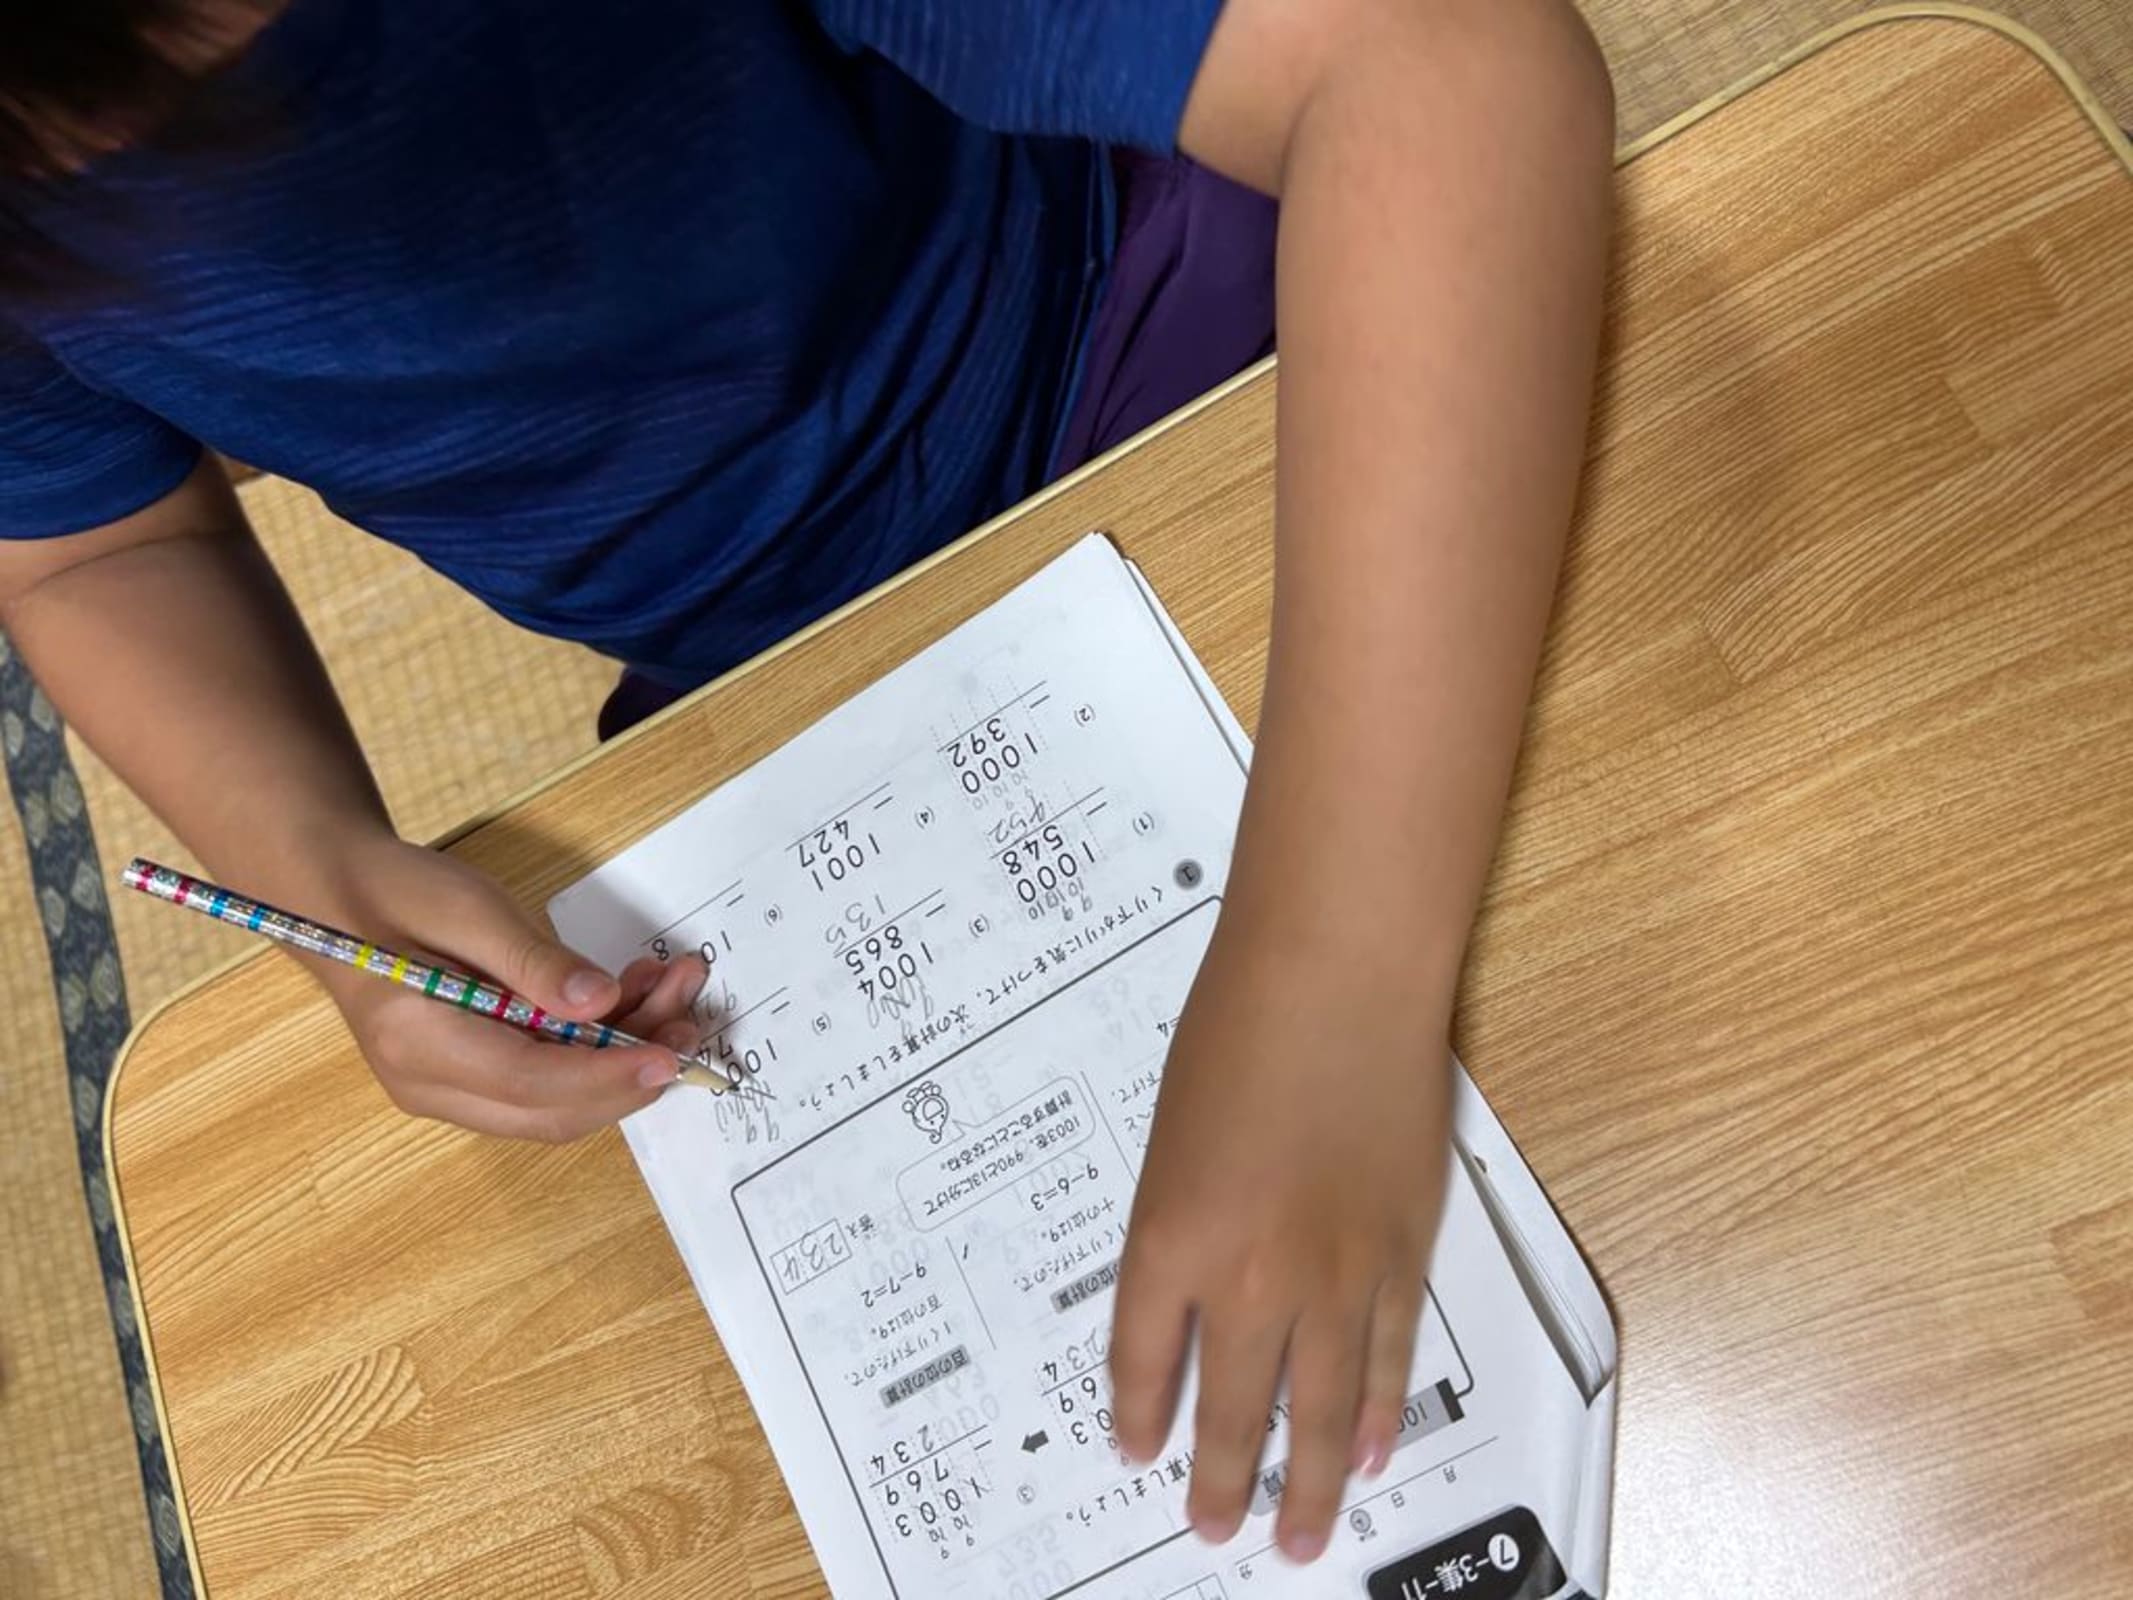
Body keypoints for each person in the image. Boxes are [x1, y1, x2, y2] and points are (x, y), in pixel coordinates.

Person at [0, 0, 1612, 1566]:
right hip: (754, 684)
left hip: (1131, 329)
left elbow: (1433, 65)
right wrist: (322, 872)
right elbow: (87, 547)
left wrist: (1329, 974)